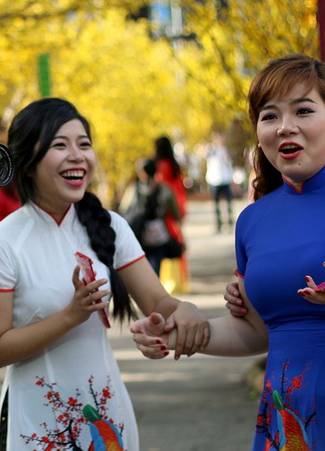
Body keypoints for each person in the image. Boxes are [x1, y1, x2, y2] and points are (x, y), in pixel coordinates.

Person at [0, 98, 209, 451]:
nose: (77, 155)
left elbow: (157, 301)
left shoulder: (112, 227)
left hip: (108, 412)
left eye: (84, 144)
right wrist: (70, 315)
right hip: (39, 425)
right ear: (28, 162)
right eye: (59, 145)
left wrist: (183, 311)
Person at [132, 54, 325, 450]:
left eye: (304, 110)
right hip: (290, 419)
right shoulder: (253, 221)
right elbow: (254, 332)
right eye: (269, 116)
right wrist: (175, 333)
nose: (285, 126)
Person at [119, 158, 183, 276]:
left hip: (138, 236)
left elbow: (124, 210)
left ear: (142, 172)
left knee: (140, 271)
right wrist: (180, 234)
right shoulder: (165, 189)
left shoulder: (134, 189)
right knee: (155, 270)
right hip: (159, 237)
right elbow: (176, 215)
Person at [154, 135, 189, 293]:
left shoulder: (161, 165)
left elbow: (161, 185)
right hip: (178, 203)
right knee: (177, 239)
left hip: (166, 207)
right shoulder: (175, 165)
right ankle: (180, 280)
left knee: (165, 241)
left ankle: (168, 281)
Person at [205, 130, 235, 232]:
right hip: (214, 179)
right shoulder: (210, 150)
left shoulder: (225, 150)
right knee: (216, 204)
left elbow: (229, 162)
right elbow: (205, 156)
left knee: (228, 202)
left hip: (225, 178)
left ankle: (230, 222)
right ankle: (218, 224)